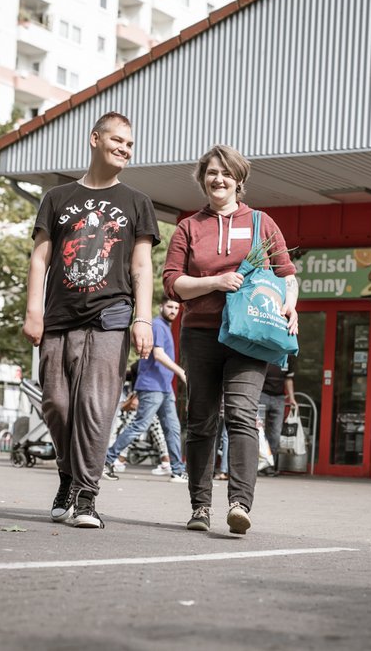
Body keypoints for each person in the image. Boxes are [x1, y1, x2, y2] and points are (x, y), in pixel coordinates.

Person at [22, 111, 159, 529]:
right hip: (59, 316)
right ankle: (67, 474)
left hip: (111, 316)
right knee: (57, 405)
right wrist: (32, 310)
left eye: (130, 144)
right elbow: (40, 257)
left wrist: (144, 318)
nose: (124, 149)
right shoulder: (57, 197)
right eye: (117, 140)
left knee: (95, 407)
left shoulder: (137, 202)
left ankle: (85, 496)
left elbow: (141, 266)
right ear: (95, 139)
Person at [163, 144, 298, 535]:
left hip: (250, 333)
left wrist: (291, 306)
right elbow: (173, 283)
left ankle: (239, 503)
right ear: (203, 179)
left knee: (241, 415)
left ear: (239, 179)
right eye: (211, 173)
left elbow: (286, 273)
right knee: (201, 420)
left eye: (225, 173)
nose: (218, 179)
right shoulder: (189, 226)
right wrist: (215, 282)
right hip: (202, 333)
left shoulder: (261, 222)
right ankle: (200, 506)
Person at [104, 295, 187, 482]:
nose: (173, 311)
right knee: (139, 425)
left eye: (176, 308)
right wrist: (181, 372)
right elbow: (158, 354)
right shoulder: (157, 325)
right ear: (161, 307)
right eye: (170, 307)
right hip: (152, 386)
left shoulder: (166, 327)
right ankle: (106, 460)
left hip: (164, 387)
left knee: (172, 428)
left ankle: (177, 470)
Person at [258, 355, 296, 476]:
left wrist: (292, 398)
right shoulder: (267, 353)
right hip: (262, 395)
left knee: (275, 434)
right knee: (259, 432)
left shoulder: (288, 356)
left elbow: (288, 379)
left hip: (279, 398)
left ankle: (269, 466)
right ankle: (257, 464)